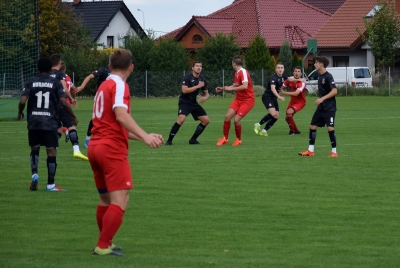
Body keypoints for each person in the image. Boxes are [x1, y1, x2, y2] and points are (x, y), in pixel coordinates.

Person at [88, 49, 164, 256]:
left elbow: (115, 124)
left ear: (110, 66)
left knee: (105, 199)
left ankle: (106, 241)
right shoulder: (119, 84)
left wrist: (144, 136)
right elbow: (121, 116)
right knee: (120, 200)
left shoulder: (103, 85)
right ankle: (103, 245)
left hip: (95, 146)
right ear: (131, 67)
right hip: (111, 149)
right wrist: (146, 137)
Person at [18, 57, 79, 191]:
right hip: (50, 121)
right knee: (51, 151)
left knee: (35, 149)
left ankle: (34, 174)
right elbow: (63, 102)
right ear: (50, 68)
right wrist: (73, 116)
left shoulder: (31, 81)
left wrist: (20, 113)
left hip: (34, 121)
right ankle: (50, 184)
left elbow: (22, 101)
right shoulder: (55, 83)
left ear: (38, 68)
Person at [50, 54, 88, 161]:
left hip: (50, 106)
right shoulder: (63, 75)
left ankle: (54, 148)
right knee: (72, 125)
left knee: (58, 128)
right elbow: (68, 89)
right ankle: (76, 150)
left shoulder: (46, 74)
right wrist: (72, 98)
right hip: (63, 104)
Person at [298, 56, 338, 157]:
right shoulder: (320, 76)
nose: (314, 64)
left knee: (330, 128)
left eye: (316, 62)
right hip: (321, 107)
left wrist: (322, 98)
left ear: (321, 64)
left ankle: (334, 152)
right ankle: (310, 151)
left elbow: (334, 91)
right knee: (312, 126)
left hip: (329, 107)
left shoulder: (328, 76)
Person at [254, 63, 305, 136]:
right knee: (273, 114)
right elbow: (273, 88)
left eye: (281, 68)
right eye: (278, 68)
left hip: (274, 98)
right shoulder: (273, 77)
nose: (280, 69)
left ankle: (264, 130)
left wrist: (301, 79)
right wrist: (279, 96)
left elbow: (290, 79)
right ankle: (258, 124)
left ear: (283, 69)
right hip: (267, 97)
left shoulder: (283, 76)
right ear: (276, 69)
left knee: (276, 116)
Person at [165, 61, 210, 145]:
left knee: (206, 120)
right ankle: (169, 141)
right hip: (184, 102)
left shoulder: (202, 79)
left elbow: (207, 93)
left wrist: (205, 97)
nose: (199, 67)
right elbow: (184, 90)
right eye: (197, 66)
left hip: (193, 103)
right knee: (181, 119)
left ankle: (193, 140)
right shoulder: (187, 78)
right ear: (192, 68)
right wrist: (197, 86)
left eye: (200, 66)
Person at [215, 56, 255, 146]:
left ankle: (239, 140)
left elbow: (245, 86)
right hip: (238, 99)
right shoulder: (236, 73)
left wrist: (231, 89)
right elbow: (235, 85)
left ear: (234, 64)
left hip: (247, 100)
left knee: (236, 120)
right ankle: (225, 139)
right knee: (227, 117)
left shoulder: (243, 72)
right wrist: (223, 88)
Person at [74, 66, 111, 148]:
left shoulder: (118, 72)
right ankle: (88, 139)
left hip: (111, 98)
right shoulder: (104, 70)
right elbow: (90, 76)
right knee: (97, 118)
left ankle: (107, 139)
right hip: (101, 98)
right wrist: (82, 86)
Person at [279, 66, 306, 135]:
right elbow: (281, 86)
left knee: (289, 112)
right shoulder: (290, 80)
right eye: (295, 71)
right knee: (287, 118)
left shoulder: (302, 83)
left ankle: (292, 132)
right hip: (292, 101)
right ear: (293, 72)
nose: (297, 73)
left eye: (298, 71)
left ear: (301, 74)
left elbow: (296, 93)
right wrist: (279, 89)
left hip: (300, 102)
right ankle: (296, 131)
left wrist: (285, 93)